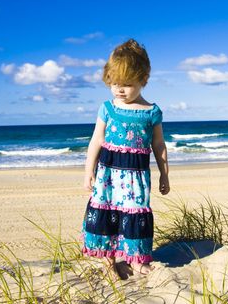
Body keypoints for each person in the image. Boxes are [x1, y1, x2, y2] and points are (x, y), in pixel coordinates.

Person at [81, 38, 170, 279]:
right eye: (114, 83)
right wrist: (88, 170)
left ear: (143, 80)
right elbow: (96, 140)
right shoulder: (107, 108)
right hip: (108, 173)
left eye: (127, 84)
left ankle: (137, 260)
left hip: (136, 177)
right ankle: (109, 261)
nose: (120, 89)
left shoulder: (152, 112)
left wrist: (165, 174)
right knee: (107, 214)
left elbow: (159, 145)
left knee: (135, 214)